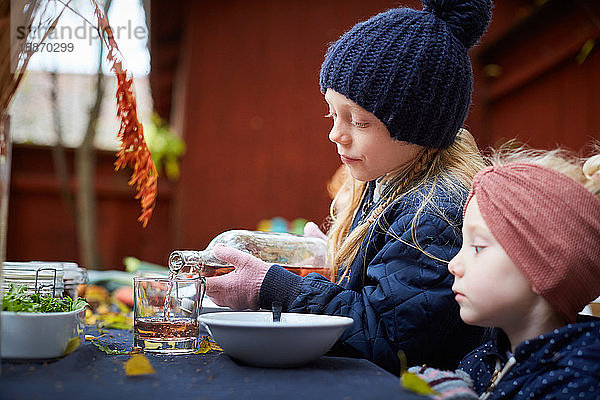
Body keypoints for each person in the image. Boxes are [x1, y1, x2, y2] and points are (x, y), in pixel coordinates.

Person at [205, 0, 492, 374]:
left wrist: (273, 287)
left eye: (358, 120)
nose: (335, 133)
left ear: (418, 128)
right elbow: (379, 298)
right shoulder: (387, 182)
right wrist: (335, 267)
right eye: (332, 113)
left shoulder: (434, 213)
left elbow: (385, 339)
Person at [410, 148, 600, 399]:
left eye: (477, 247)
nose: (453, 264)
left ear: (544, 267)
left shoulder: (578, 383)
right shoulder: (482, 361)